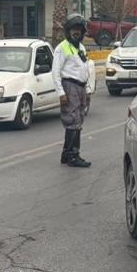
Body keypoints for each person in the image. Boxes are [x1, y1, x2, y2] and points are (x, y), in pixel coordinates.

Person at [52, 13, 95, 168]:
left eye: (79, 29)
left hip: (81, 87)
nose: (76, 32)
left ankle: (66, 154)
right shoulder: (62, 48)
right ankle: (73, 156)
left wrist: (88, 90)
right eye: (73, 29)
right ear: (68, 31)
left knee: (79, 119)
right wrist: (61, 93)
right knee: (73, 121)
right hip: (69, 86)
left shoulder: (81, 47)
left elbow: (85, 68)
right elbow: (55, 72)